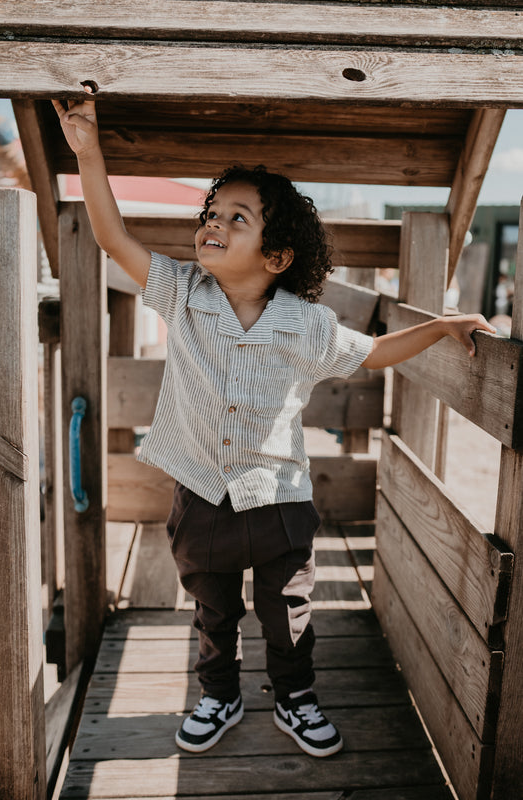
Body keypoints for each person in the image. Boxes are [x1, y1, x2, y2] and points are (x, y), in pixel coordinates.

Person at [52, 95, 496, 758]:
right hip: (200, 494)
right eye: (210, 212)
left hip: (280, 499)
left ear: (277, 256)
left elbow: (372, 352)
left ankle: (293, 698)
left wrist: (439, 326)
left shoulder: (307, 326)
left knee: (287, 613)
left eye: (237, 217)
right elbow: (113, 237)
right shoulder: (181, 292)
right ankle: (219, 693)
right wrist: (89, 153)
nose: (213, 223)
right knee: (212, 612)